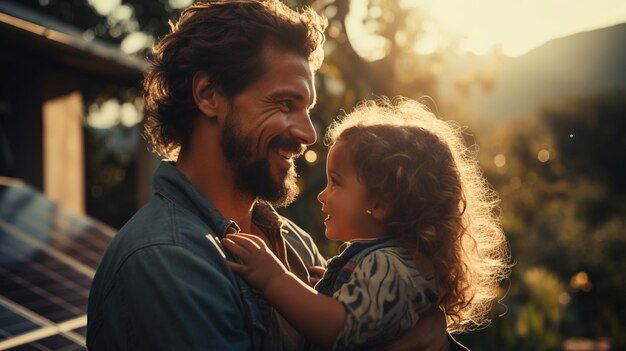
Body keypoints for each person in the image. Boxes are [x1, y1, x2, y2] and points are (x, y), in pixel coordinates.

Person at [87, 1, 453, 350]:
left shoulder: (293, 243)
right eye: (285, 104)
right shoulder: (164, 262)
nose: (309, 134)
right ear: (208, 94)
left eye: (307, 109)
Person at [222, 98, 511, 350]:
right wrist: (336, 289)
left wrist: (275, 279)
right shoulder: (390, 266)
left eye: (336, 182)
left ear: (380, 203)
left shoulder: (390, 267)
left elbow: (337, 328)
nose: (322, 195)